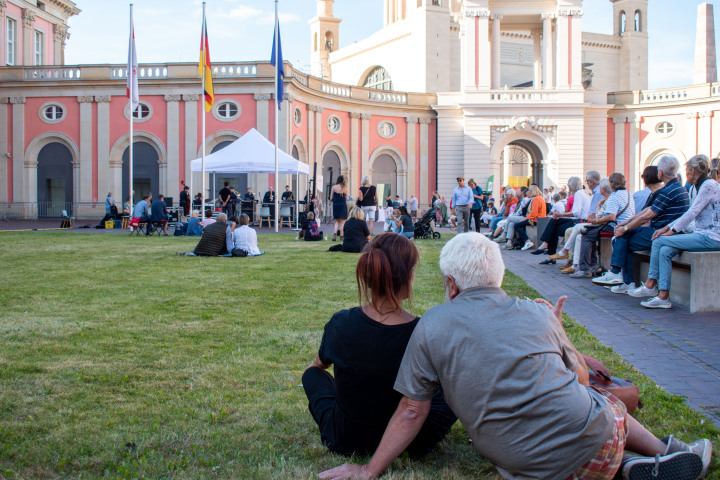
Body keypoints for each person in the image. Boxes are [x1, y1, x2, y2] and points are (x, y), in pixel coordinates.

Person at [319, 232, 712, 480]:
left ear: (451, 284)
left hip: (520, 462)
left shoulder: (431, 324)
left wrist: (369, 471)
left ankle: (631, 466)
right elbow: (580, 381)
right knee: (607, 402)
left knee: (558, 452)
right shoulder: (536, 311)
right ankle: (662, 451)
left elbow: (411, 409)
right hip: (600, 439)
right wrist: (561, 334)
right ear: (499, 276)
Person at [304, 233, 456, 457]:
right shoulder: (423, 331)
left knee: (311, 375)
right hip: (411, 440)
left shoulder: (341, 322)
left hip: (346, 437)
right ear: (408, 277)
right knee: (452, 390)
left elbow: (319, 365)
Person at [629, 155, 720, 308]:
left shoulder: (708, 185)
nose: (684, 173)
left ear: (692, 171)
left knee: (658, 240)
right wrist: (667, 228)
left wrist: (672, 230)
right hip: (699, 234)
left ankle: (650, 285)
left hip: (711, 237)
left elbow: (692, 212)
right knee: (665, 250)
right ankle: (663, 297)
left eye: (686, 170)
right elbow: (690, 216)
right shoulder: (696, 187)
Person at [594, 156, 690, 289]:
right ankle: (623, 279)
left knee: (622, 239)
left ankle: (621, 277)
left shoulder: (668, 191)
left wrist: (625, 228)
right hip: (662, 230)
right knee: (623, 237)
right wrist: (625, 225)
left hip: (662, 232)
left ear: (660, 173)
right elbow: (646, 212)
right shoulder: (673, 188)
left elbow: (647, 216)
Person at [569, 174, 635, 280]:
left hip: (615, 226)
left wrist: (596, 220)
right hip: (626, 224)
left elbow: (611, 217)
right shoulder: (628, 194)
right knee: (589, 233)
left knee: (586, 235)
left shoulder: (614, 196)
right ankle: (593, 265)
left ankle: (585, 268)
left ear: (612, 184)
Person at [531, 175, 591, 255]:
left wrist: (561, 214)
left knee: (553, 227)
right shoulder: (581, 194)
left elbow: (576, 213)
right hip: (577, 220)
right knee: (553, 222)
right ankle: (546, 247)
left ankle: (547, 249)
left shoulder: (578, 194)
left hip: (578, 222)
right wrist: (560, 215)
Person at [507, 185, 546, 250]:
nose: (526, 193)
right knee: (516, 224)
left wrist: (525, 219)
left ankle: (527, 241)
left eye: (528, 191)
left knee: (517, 225)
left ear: (531, 191)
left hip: (534, 220)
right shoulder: (540, 198)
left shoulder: (536, 199)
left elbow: (534, 213)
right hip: (539, 219)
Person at [330, 175, 349, 242]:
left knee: (337, 221)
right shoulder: (345, 187)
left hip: (336, 205)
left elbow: (331, 198)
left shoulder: (334, 187)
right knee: (342, 222)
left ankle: (334, 236)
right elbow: (347, 198)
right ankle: (341, 237)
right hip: (343, 205)